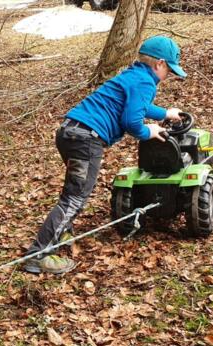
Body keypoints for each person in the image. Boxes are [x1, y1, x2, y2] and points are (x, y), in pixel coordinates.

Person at [23, 35, 187, 275]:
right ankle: (39, 254)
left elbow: (136, 105)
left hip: (70, 132)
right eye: (169, 70)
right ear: (160, 63)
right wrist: (148, 131)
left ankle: (61, 230)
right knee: (75, 198)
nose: (168, 76)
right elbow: (132, 121)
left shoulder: (133, 75)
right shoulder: (146, 82)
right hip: (87, 139)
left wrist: (165, 113)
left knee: (73, 191)